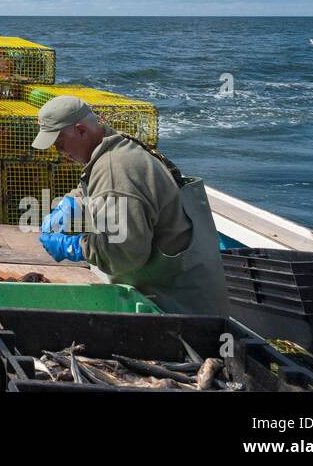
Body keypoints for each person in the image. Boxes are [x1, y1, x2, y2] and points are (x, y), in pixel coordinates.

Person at [32, 95, 230, 315]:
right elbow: (110, 196)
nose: (61, 153)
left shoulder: (114, 169)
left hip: (178, 311)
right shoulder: (118, 147)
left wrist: (75, 246)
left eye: (60, 143)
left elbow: (124, 254)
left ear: (81, 130)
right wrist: (72, 203)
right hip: (195, 294)